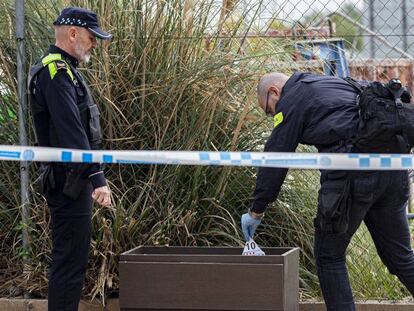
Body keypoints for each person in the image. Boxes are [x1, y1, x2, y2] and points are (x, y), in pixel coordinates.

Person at [241, 72, 414, 310]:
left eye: (269, 110)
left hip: (351, 177)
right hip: (392, 171)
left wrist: (257, 210)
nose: (272, 116)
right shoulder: (332, 81)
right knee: (401, 258)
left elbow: (275, 157)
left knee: (328, 256)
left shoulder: (292, 99)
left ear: (274, 91)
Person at [28, 7, 112, 311]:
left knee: (72, 259)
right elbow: (70, 130)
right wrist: (96, 177)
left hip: (71, 181)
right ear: (73, 32)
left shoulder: (63, 68)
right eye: (92, 38)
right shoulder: (55, 72)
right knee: (69, 262)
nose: (94, 44)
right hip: (69, 183)